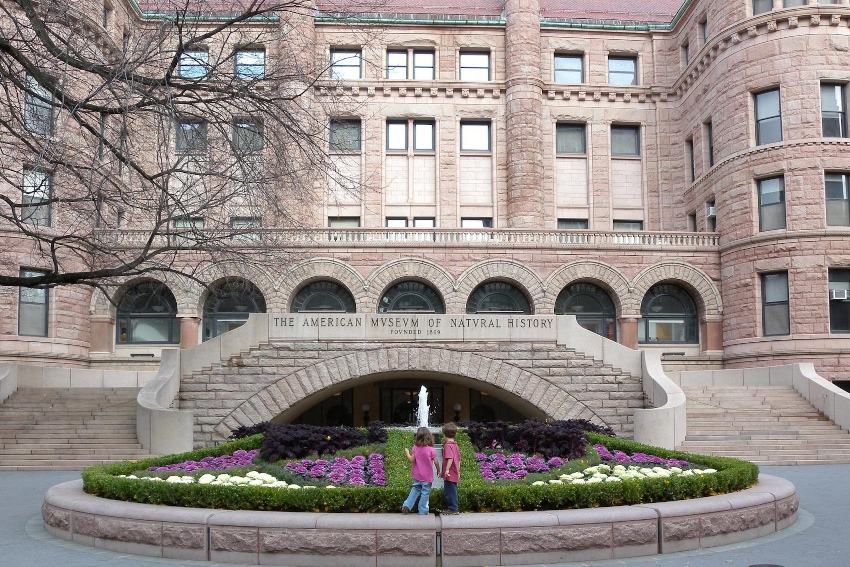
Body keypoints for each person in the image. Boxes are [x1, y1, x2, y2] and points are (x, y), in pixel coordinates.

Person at [401, 427, 440, 515]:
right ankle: (423, 510)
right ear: (429, 437)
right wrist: (438, 470)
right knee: (425, 493)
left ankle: (407, 505)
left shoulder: (415, 448)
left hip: (417, 475)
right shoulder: (431, 450)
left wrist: (407, 452)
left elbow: (412, 459)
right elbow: (436, 462)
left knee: (415, 489)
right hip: (427, 477)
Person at [440, 422, 461, 515]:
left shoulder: (448, 446)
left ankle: (453, 509)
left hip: (450, 473)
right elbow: (458, 459)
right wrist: (458, 471)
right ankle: (453, 508)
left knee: (449, 491)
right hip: (455, 472)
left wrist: (447, 470)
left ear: (444, 434)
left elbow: (450, 458)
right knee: (453, 490)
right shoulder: (455, 445)